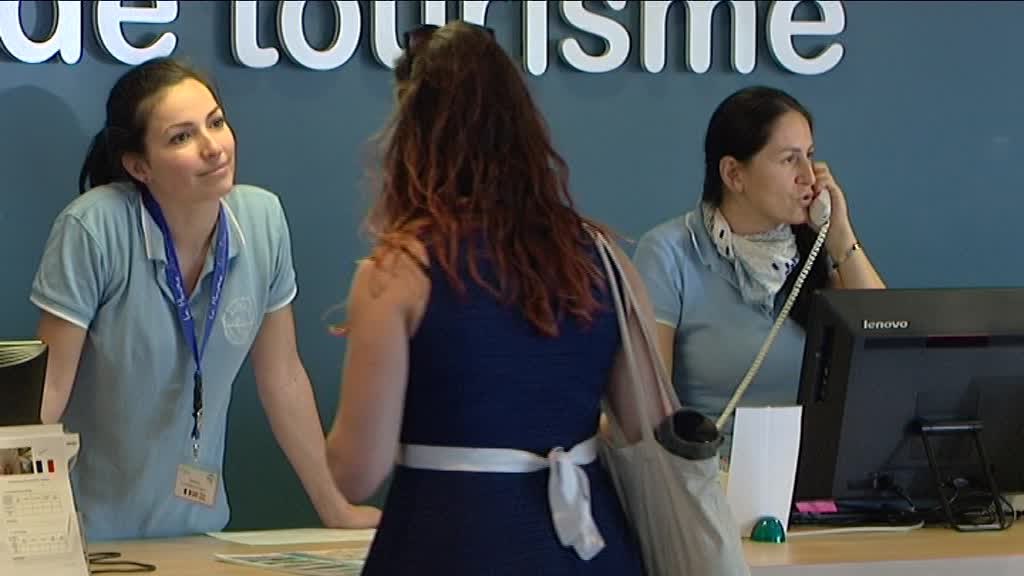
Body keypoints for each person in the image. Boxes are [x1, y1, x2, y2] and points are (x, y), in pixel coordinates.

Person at [325, 21, 659, 575]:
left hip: (450, 546)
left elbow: (356, 472)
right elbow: (649, 425)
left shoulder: (400, 271)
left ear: (411, 136)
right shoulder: (603, 258)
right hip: (589, 550)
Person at [30, 57, 379, 540]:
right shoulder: (94, 227)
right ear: (139, 165)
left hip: (198, 533)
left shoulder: (263, 220)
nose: (213, 147)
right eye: (182, 137)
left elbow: (283, 377)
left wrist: (334, 507)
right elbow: (45, 395)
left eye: (216, 122)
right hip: (81, 534)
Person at [633, 86, 885, 450]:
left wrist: (841, 236)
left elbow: (882, 349)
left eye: (809, 156)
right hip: (713, 477)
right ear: (734, 174)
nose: (809, 178)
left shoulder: (816, 249)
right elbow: (649, 408)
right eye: (788, 160)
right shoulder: (668, 251)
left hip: (817, 472)